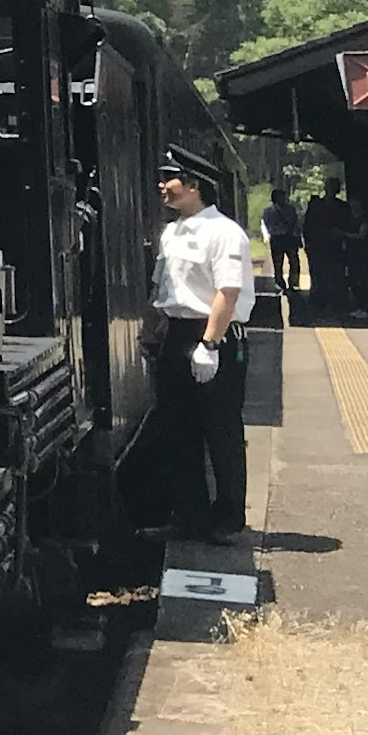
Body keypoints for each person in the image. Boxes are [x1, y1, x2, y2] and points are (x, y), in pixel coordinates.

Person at [147, 150, 253, 537]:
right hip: (176, 333)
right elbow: (164, 288)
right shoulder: (171, 231)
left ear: (194, 185)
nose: (162, 185)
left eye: (169, 177)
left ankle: (227, 519)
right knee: (178, 429)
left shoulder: (224, 232)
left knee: (220, 429)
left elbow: (227, 292)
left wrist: (209, 344)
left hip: (215, 335)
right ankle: (188, 516)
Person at [302, 183, 355, 318]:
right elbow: (307, 226)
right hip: (318, 245)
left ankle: (337, 305)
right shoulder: (316, 206)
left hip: (335, 245)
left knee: (337, 275)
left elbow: (348, 223)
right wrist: (307, 243)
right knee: (319, 276)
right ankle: (319, 305)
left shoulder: (342, 207)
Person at [264, 183, 304, 296]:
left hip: (289, 238)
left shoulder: (291, 209)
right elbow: (269, 226)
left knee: (294, 262)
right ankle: (280, 284)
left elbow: (296, 224)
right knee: (278, 263)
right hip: (278, 239)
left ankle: (293, 283)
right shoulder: (269, 211)